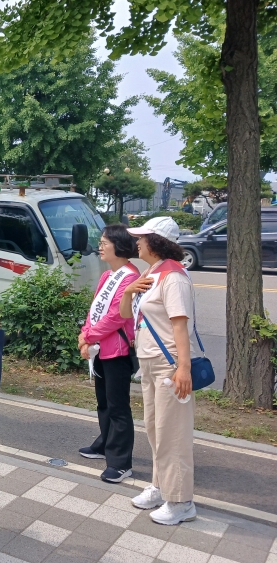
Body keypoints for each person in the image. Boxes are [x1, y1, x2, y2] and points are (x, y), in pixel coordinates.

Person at [119, 216, 202, 525]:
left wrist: (183, 368)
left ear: (156, 242)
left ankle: (181, 502)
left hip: (169, 365)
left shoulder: (174, 277)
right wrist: (129, 291)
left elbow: (180, 325)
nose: (137, 242)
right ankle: (160, 486)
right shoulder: (152, 272)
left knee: (173, 434)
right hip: (150, 363)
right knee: (155, 429)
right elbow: (127, 314)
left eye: (142, 238)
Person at [77, 224, 139, 483]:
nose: (100, 246)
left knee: (118, 407)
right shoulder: (107, 276)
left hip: (118, 350)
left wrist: (88, 337)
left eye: (105, 242)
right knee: (104, 402)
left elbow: (116, 317)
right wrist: (84, 334)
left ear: (120, 246)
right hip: (100, 349)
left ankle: (121, 463)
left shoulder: (131, 277)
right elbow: (95, 311)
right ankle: (105, 443)